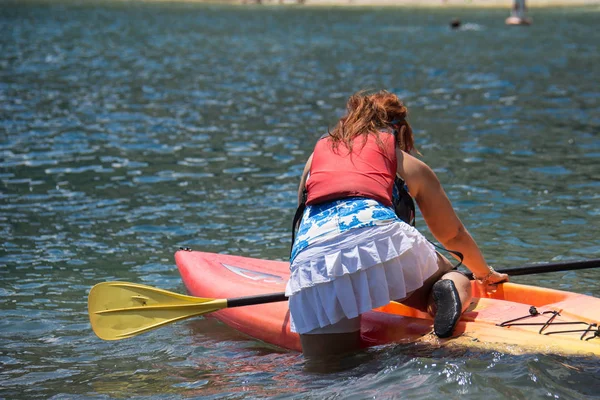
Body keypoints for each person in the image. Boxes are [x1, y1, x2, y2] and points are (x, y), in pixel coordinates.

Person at [285, 90, 509, 358]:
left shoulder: (315, 158)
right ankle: (442, 306)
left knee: (331, 370)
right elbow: (453, 236)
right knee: (455, 276)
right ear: (399, 130)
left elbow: (303, 215)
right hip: (379, 237)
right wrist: (484, 274)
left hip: (314, 259)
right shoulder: (408, 164)